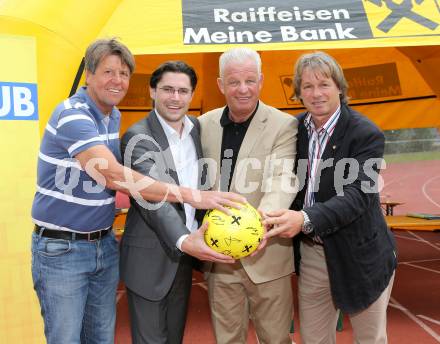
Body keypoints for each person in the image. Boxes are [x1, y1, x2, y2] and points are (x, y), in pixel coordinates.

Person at [31, 39, 243, 344]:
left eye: (124, 73)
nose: (117, 80)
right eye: (108, 72)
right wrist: (193, 196)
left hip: (102, 244)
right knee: (65, 338)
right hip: (62, 249)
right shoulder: (72, 114)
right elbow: (112, 175)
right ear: (88, 75)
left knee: (101, 337)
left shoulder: (111, 115)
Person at [264, 51, 397, 344]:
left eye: (324, 84)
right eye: (307, 86)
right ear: (298, 92)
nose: (316, 93)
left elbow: (359, 195)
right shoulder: (292, 129)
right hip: (313, 253)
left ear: (339, 86)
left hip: (361, 253)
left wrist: (305, 218)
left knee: (370, 339)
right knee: (314, 339)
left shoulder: (366, 133)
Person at [120, 61, 235, 343]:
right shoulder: (138, 137)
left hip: (183, 258)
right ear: (152, 91)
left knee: (175, 338)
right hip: (150, 257)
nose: (175, 97)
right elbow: (154, 200)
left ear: (191, 94)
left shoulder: (196, 128)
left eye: (183, 91)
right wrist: (184, 240)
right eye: (167, 89)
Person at [198, 47, 298, 344]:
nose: (243, 89)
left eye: (250, 81)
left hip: (267, 254)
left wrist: (256, 229)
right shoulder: (203, 125)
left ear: (261, 80)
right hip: (219, 258)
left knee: (276, 339)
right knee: (227, 340)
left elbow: (282, 179)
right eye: (233, 82)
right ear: (220, 85)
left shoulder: (284, 124)